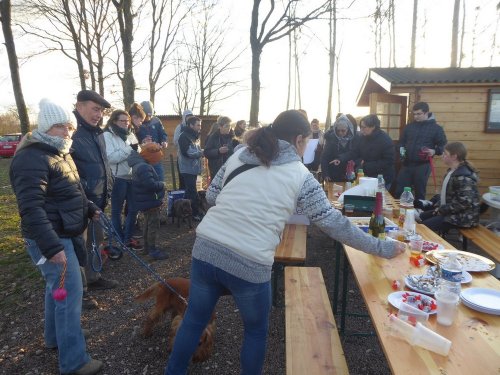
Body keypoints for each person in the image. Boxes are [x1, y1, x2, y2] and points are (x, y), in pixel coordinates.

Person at [164, 110, 406, 375]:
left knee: (194, 320)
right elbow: (334, 224)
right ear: (299, 139)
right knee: (255, 332)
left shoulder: (238, 155)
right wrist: (383, 248)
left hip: (206, 249)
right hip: (250, 261)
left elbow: (211, 195)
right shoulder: (300, 175)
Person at [9, 99, 103, 375]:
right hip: (49, 238)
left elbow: (73, 190)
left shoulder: (59, 152)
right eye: (61, 127)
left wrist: (90, 207)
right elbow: (31, 208)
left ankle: (56, 337)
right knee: (69, 294)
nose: (67, 132)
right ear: (46, 127)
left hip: (64, 232)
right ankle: (75, 363)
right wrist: (51, 248)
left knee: (57, 291)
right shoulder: (31, 158)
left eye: (70, 127)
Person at [71, 90, 117, 305]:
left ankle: (94, 277)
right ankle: (81, 291)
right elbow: (71, 176)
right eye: (95, 109)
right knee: (80, 246)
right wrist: (86, 201)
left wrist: (109, 187)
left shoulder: (97, 134)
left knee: (95, 241)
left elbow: (103, 165)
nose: (99, 114)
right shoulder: (73, 135)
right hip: (81, 204)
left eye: (101, 111)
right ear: (80, 107)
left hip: (98, 201)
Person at [418, 142, 480, 233]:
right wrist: (438, 207)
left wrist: (442, 210)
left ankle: (432, 245)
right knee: (421, 217)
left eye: (445, 154)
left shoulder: (464, 177)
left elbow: (464, 203)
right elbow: (447, 196)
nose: (442, 155)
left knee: (424, 227)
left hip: (464, 218)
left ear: (454, 157)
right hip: (451, 212)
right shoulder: (452, 171)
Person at [103, 110, 142, 251]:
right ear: (114, 121)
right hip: (117, 178)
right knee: (116, 210)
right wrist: (129, 150)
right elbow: (111, 158)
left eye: (127, 121)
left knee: (134, 209)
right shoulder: (107, 135)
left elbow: (138, 152)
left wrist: (143, 150)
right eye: (122, 121)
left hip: (132, 177)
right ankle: (119, 238)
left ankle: (127, 238)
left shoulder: (131, 134)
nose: (126, 124)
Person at [395, 102, 447, 200]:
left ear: (426, 113)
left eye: (419, 114)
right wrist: (401, 149)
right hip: (407, 163)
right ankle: (398, 214)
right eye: (414, 114)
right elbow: (401, 142)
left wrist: (434, 151)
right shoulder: (409, 127)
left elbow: (443, 146)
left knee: (419, 192)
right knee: (400, 190)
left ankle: (418, 214)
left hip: (423, 165)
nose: (416, 116)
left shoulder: (436, 129)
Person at [127, 143, 168, 260]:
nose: (158, 161)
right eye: (157, 158)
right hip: (150, 201)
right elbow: (150, 185)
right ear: (152, 157)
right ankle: (153, 250)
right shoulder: (144, 167)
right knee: (153, 225)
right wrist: (162, 184)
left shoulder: (138, 165)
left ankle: (146, 248)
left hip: (143, 201)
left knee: (146, 224)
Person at [332, 114, 395, 188]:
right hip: (367, 177)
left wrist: (366, 165)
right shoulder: (363, 138)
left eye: (364, 127)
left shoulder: (385, 140)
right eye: (361, 127)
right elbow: (354, 152)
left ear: (373, 127)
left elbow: (388, 161)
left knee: (378, 199)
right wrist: (340, 158)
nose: (361, 130)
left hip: (382, 179)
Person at [177, 116, 204, 222]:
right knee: (192, 192)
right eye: (198, 125)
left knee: (188, 192)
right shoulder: (184, 136)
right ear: (191, 125)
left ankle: (181, 212)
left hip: (193, 169)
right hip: (187, 169)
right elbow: (188, 153)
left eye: (200, 125)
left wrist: (201, 152)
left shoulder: (195, 136)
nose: (200, 127)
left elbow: (195, 150)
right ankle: (195, 214)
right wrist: (202, 153)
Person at [137, 100, 168, 182]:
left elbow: (163, 134)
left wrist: (164, 141)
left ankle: (161, 193)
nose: (148, 118)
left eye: (150, 115)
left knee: (159, 178)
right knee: (146, 180)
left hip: (156, 155)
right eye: (146, 116)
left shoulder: (156, 121)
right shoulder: (137, 123)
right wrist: (142, 142)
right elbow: (134, 140)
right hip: (143, 157)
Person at [321, 114, 357, 182]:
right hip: (334, 174)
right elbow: (324, 157)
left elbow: (355, 153)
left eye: (343, 130)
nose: (340, 133)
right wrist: (326, 174)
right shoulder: (331, 138)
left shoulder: (354, 138)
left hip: (350, 174)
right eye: (338, 130)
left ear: (348, 129)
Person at [203, 116, 234, 180]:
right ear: (220, 126)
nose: (229, 128)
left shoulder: (233, 138)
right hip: (217, 170)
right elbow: (206, 152)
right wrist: (218, 151)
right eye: (226, 126)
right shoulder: (213, 137)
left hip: (230, 169)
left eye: (230, 126)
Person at [173, 109, 194, 190]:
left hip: (192, 157)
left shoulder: (193, 127)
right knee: (182, 178)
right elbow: (175, 141)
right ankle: (182, 197)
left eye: (191, 116)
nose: (189, 118)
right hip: (182, 157)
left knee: (192, 179)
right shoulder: (180, 127)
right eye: (188, 116)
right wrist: (183, 144)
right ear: (184, 117)